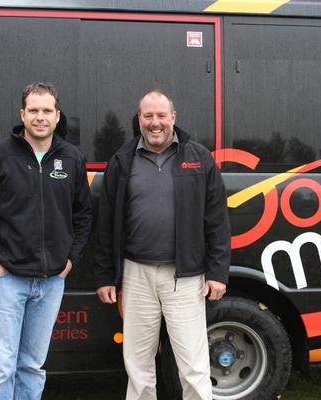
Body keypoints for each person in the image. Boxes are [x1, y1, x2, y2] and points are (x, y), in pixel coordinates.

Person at [94, 90, 231, 400]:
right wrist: (105, 276)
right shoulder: (122, 160)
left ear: (173, 117)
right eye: (148, 116)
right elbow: (106, 224)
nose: (155, 123)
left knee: (193, 366)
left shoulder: (198, 158)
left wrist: (218, 272)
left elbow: (218, 220)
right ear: (139, 120)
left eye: (160, 116)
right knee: (138, 365)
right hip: (135, 275)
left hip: (184, 278)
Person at [0, 82, 92, 400]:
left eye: (47, 110)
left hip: (50, 283)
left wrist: (69, 260)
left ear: (57, 116)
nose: (40, 116)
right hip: (8, 280)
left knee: (32, 366)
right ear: (23, 114)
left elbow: (83, 216)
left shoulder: (71, 159)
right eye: (33, 110)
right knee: (0, 368)